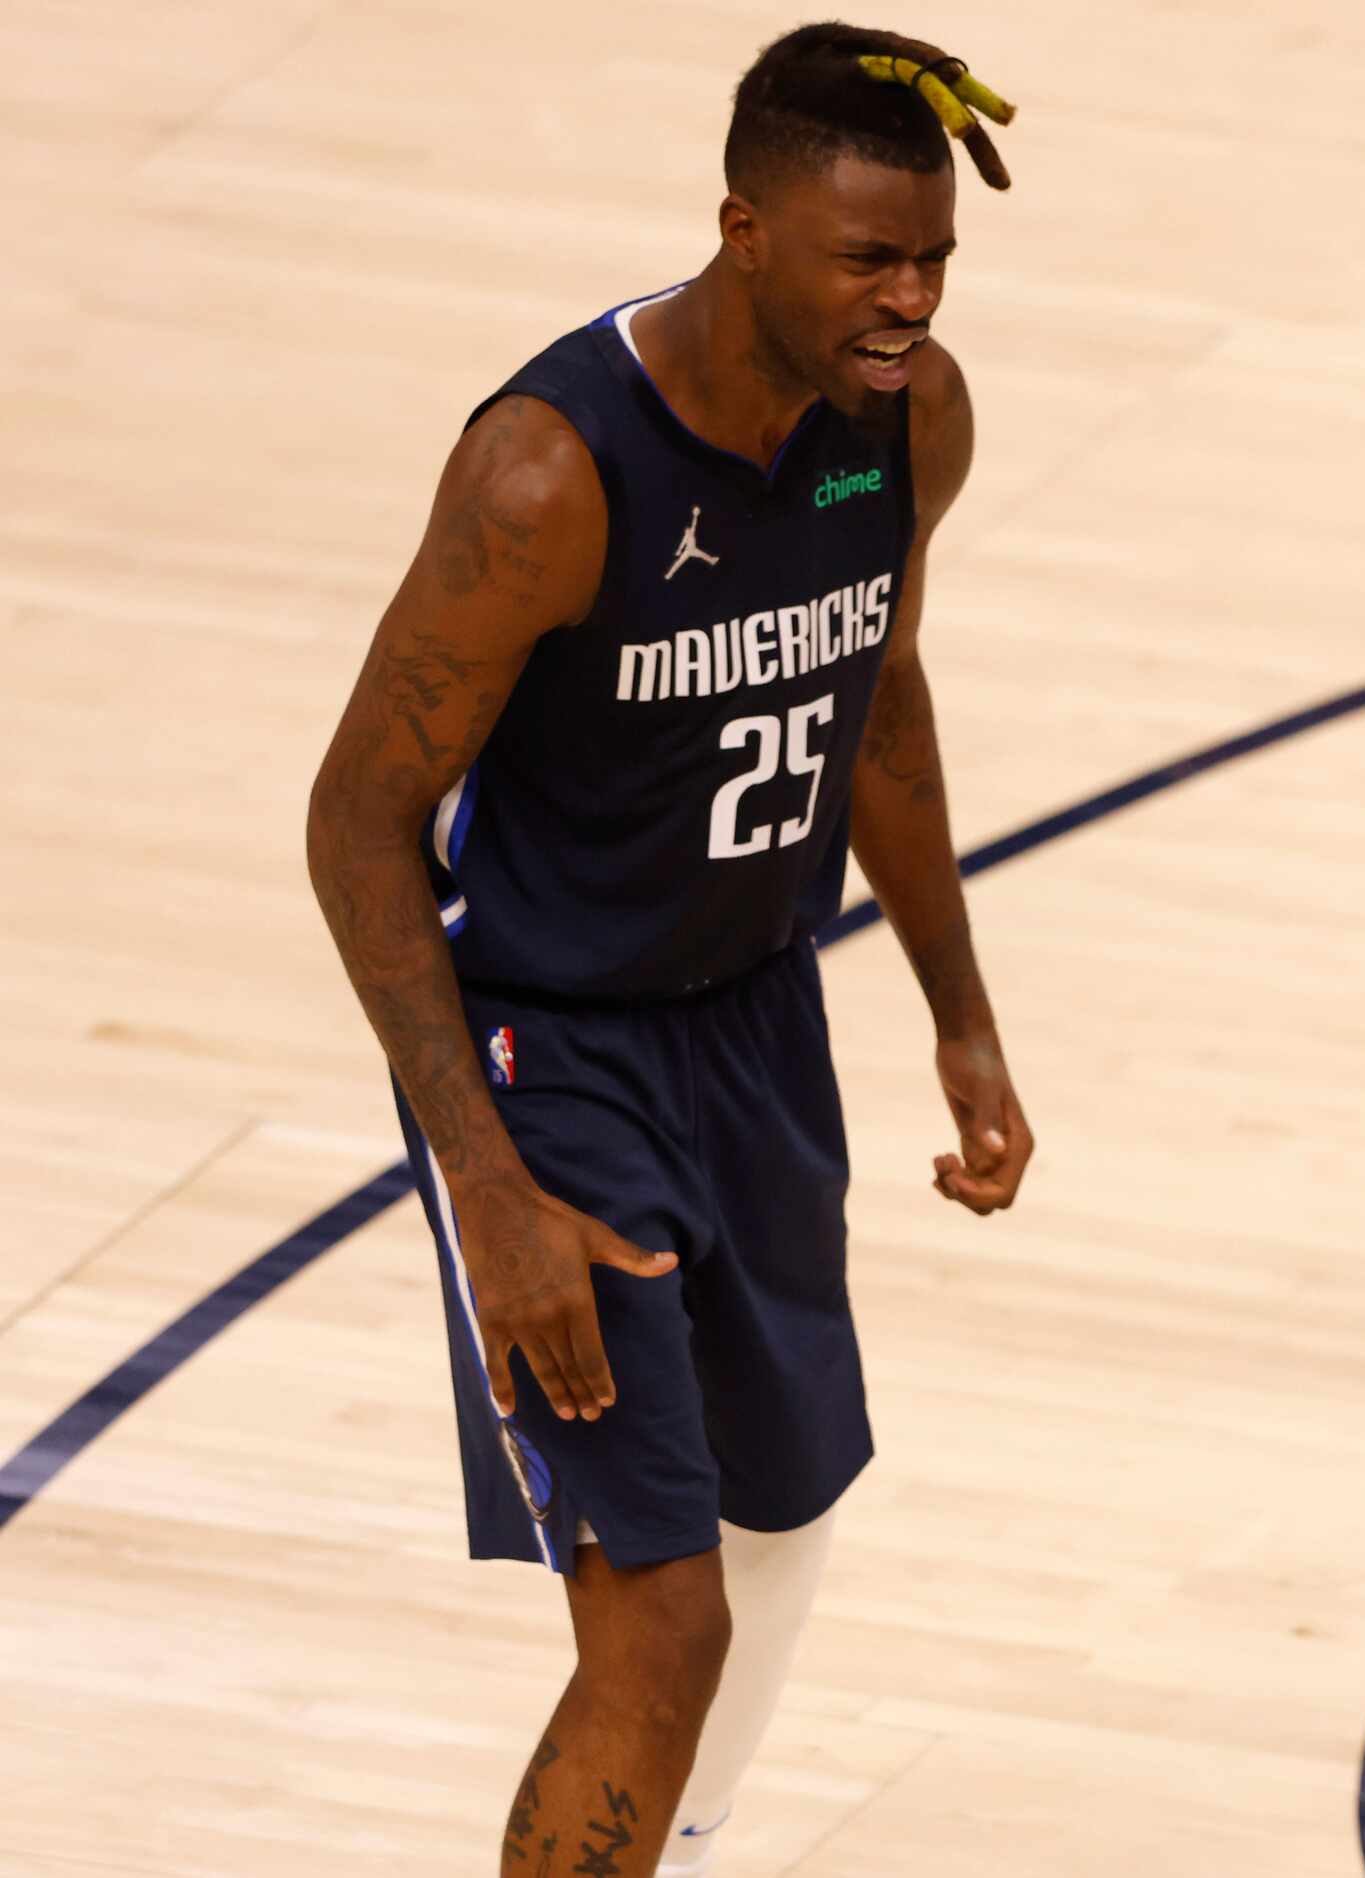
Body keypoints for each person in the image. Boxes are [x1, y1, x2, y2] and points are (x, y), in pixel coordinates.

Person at [305, 26, 1031, 1873]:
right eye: (869, 257)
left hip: (755, 1018)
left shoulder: (906, 422)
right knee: (663, 1618)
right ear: (742, 229)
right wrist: (487, 1190)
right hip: (555, 1055)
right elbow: (354, 826)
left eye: (932, 256)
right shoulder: (548, 478)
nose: (910, 298)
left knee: (787, 1517)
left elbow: (876, 707)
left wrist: (961, 1016)